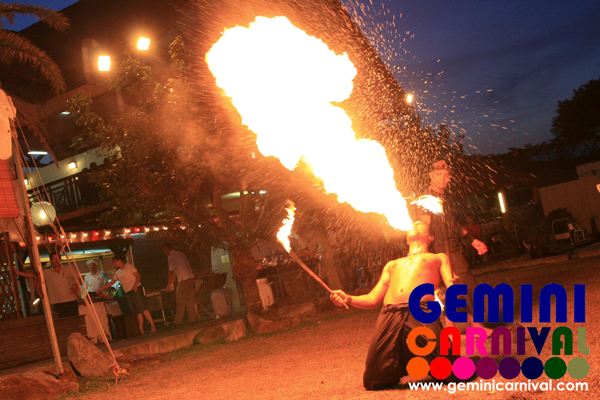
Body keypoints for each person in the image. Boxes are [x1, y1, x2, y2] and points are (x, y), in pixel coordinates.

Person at [330, 221, 456, 390]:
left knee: (450, 372)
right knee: (374, 380)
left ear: (431, 237)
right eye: (413, 224)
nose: (416, 225)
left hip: (420, 311)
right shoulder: (392, 264)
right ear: (406, 240)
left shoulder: (438, 257)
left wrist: (450, 330)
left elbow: (453, 291)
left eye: (421, 225)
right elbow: (372, 299)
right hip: (390, 314)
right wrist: (347, 298)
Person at [416, 160, 488, 330]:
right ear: (431, 176)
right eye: (438, 174)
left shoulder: (446, 198)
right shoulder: (428, 198)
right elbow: (424, 225)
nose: (443, 178)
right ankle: (476, 326)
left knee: (453, 286)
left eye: (446, 175)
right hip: (442, 247)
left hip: (453, 244)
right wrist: (422, 251)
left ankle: (450, 328)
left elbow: (453, 224)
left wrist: (472, 240)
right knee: (465, 282)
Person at [96, 254, 156, 334]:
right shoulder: (118, 272)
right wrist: (101, 289)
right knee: (137, 311)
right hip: (128, 292)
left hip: (136, 289)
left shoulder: (129, 266)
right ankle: (141, 329)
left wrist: (135, 285)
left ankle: (152, 325)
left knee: (143, 307)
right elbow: (112, 282)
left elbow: (138, 276)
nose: (114, 264)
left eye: (115, 262)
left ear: (119, 260)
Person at [15, 252, 82, 318]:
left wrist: (76, 289)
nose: (56, 260)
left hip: (71, 300)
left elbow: (79, 277)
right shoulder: (46, 272)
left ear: (60, 260)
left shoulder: (67, 269)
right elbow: (34, 275)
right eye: (53, 259)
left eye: (57, 258)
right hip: (56, 302)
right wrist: (18, 272)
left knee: (75, 319)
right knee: (61, 322)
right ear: (50, 261)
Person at [162, 243, 197, 325]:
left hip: (183, 280)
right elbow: (175, 272)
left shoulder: (171, 257)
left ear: (171, 248)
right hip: (190, 278)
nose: (164, 251)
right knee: (190, 300)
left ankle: (177, 321)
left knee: (180, 302)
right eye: (163, 250)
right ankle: (193, 319)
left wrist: (169, 285)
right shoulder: (181, 254)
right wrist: (171, 284)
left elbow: (171, 272)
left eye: (166, 249)